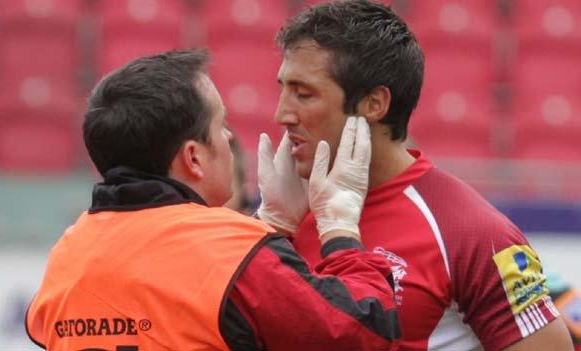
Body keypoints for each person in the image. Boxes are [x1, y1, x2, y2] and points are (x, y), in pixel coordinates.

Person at [24, 50, 401, 350]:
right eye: (220, 125)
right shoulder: (228, 250)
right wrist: (340, 229)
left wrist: (273, 225)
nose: (230, 138)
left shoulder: (69, 251)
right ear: (193, 157)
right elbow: (364, 329)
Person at [255, 1, 574, 350]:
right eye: (282, 89)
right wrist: (269, 226)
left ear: (374, 104)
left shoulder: (469, 231)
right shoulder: (281, 215)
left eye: (303, 94)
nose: (281, 114)